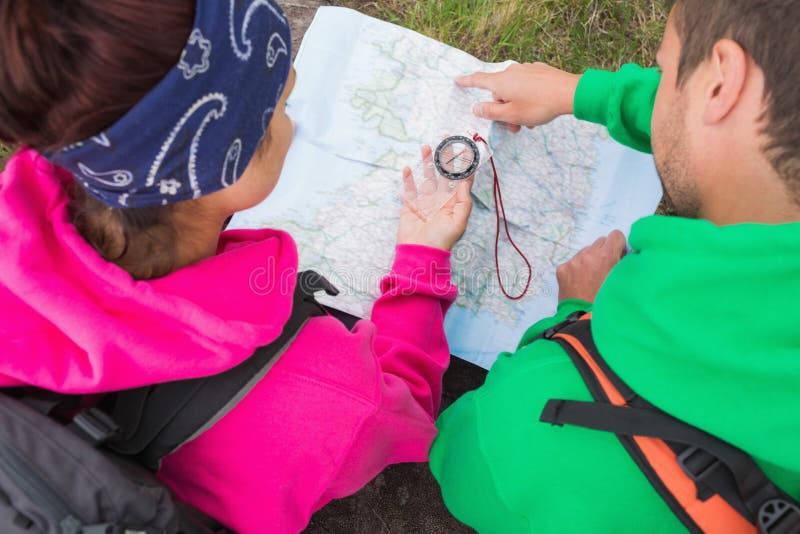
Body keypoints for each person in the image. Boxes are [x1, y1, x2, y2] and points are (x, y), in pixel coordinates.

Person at [0, 1, 471, 532]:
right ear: (231, 166)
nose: (295, 120)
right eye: (284, 104)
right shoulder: (331, 396)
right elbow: (407, 404)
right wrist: (422, 261)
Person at [430, 0, 800, 532]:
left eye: (667, 71)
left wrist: (575, 322)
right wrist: (581, 94)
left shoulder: (534, 415)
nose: (658, 82)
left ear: (722, 85)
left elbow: (462, 462)